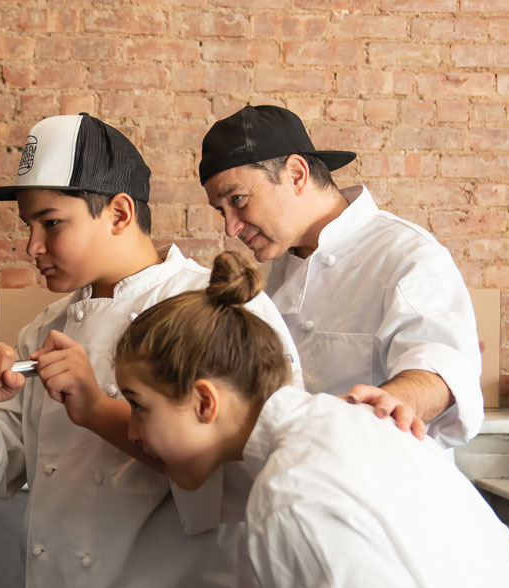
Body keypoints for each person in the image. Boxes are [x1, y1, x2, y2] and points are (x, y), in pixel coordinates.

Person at [0, 113, 303, 588]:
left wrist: (99, 409)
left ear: (119, 212)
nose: (32, 246)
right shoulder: (46, 329)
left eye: (51, 223)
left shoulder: (211, 308)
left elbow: (247, 475)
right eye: (28, 225)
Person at [114, 250, 509, 588]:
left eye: (138, 405)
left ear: (204, 401)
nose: (131, 432)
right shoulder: (356, 426)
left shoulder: (289, 495)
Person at [199, 105, 482, 450]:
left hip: (380, 484)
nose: (231, 227)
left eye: (238, 199)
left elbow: (440, 368)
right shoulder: (268, 283)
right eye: (221, 211)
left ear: (297, 174)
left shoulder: (407, 254)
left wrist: (392, 400)